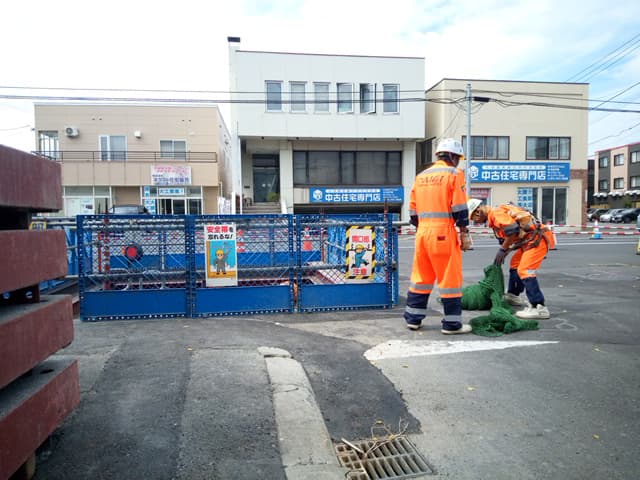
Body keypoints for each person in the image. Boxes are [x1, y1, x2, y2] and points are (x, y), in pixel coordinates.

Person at [404, 138, 473, 334]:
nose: (458, 162)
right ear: (452, 156)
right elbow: (459, 207)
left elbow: (413, 212)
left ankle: (413, 319)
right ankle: (452, 324)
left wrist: (425, 228)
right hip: (443, 232)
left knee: (421, 277)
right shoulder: (454, 174)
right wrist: (464, 232)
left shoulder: (421, 176)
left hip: (422, 233)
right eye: (458, 158)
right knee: (449, 279)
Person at [467, 199, 555, 319]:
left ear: (478, 212)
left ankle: (539, 307)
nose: (476, 222)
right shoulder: (497, 214)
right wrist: (506, 251)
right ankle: (513, 295)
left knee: (525, 270)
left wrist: (503, 250)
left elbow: (512, 230)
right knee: (515, 264)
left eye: (473, 218)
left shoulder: (496, 214)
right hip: (531, 240)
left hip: (537, 240)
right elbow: (515, 233)